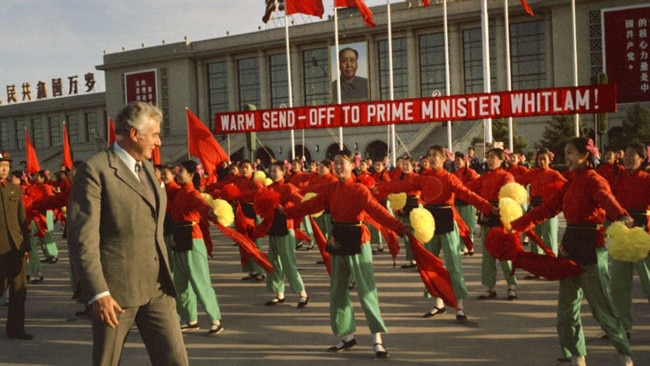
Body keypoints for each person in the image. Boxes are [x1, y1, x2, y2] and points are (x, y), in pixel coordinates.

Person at [67, 101, 188, 366]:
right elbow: (82, 239)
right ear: (135, 134)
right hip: (116, 295)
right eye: (155, 135)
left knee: (175, 360)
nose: (159, 142)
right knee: (107, 361)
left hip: (157, 288)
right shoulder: (96, 170)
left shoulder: (145, 168)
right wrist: (98, 293)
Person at [511, 137, 634, 366]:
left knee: (602, 308)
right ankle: (578, 357)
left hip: (591, 247)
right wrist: (517, 225)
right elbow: (547, 208)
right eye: (565, 153)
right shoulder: (569, 182)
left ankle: (625, 355)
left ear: (584, 155)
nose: (566, 158)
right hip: (570, 247)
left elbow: (606, 200)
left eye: (569, 153)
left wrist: (620, 215)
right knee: (567, 310)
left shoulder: (595, 180)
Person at [284, 149, 408, 359]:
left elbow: (376, 210)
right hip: (338, 238)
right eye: (336, 163)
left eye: (343, 163)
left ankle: (377, 339)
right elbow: (313, 204)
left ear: (352, 165)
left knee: (366, 290)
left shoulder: (359, 189)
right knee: (338, 289)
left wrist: (399, 227)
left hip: (358, 239)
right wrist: (286, 213)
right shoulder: (332, 188)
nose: (339, 166)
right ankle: (347, 335)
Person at [375, 145, 495, 321]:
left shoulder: (449, 178)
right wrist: (378, 189)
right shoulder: (423, 178)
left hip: (446, 220)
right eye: (430, 155)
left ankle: (459, 306)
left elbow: (468, 195)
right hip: (428, 222)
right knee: (430, 264)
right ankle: (437, 304)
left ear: (444, 159)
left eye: (436, 156)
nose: (432, 159)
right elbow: (400, 185)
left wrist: (489, 208)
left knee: (454, 265)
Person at [169, 160, 224, 336]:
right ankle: (190, 319)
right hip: (178, 237)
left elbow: (202, 207)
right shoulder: (178, 192)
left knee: (200, 281)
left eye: (181, 171)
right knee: (180, 282)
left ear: (192, 175)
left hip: (192, 238)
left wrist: (211, 212)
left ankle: (215, 319)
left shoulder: (193, 194)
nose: (178, 173)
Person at [609, 142, 650, 339]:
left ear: (642, 158)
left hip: (644, 235)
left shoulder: (648, 179)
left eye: (633, 154)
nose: (627, 157)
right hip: (623, 236)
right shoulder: (620, 180)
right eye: (626, 154)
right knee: (618, 285)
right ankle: (623, 326)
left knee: (648, 281)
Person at [466, 148, 518, 300]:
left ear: (502, 160)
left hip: (501, 216)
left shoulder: (507, 176)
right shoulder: (484, 177)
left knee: (504, 253)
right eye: (488, 157)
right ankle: (490, 288)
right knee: (488, 255)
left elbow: (509, 193)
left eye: (493, 157)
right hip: (487, 215)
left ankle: (511, 287)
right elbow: (468, 189)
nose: (490, 160)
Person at [259, 161, 310, 308]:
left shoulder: (288, 187)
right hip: (273, 226)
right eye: (271, 171)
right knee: (273, 261)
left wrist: (286, 208)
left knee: (288, 262)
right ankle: (279, 294)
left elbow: (300, 202)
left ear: (283, 172)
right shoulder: (268, 188)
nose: (273, 173)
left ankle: (302, 293)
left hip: (286, 227)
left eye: (276, 171)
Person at [0, 152, 33, 340]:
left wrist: (26, 246)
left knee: (19, 291)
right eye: (1, 165)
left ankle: (15, 329)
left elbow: (22, 219)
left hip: (16, 247)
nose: (4, 169)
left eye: (6, 165)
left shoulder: (14, 189)